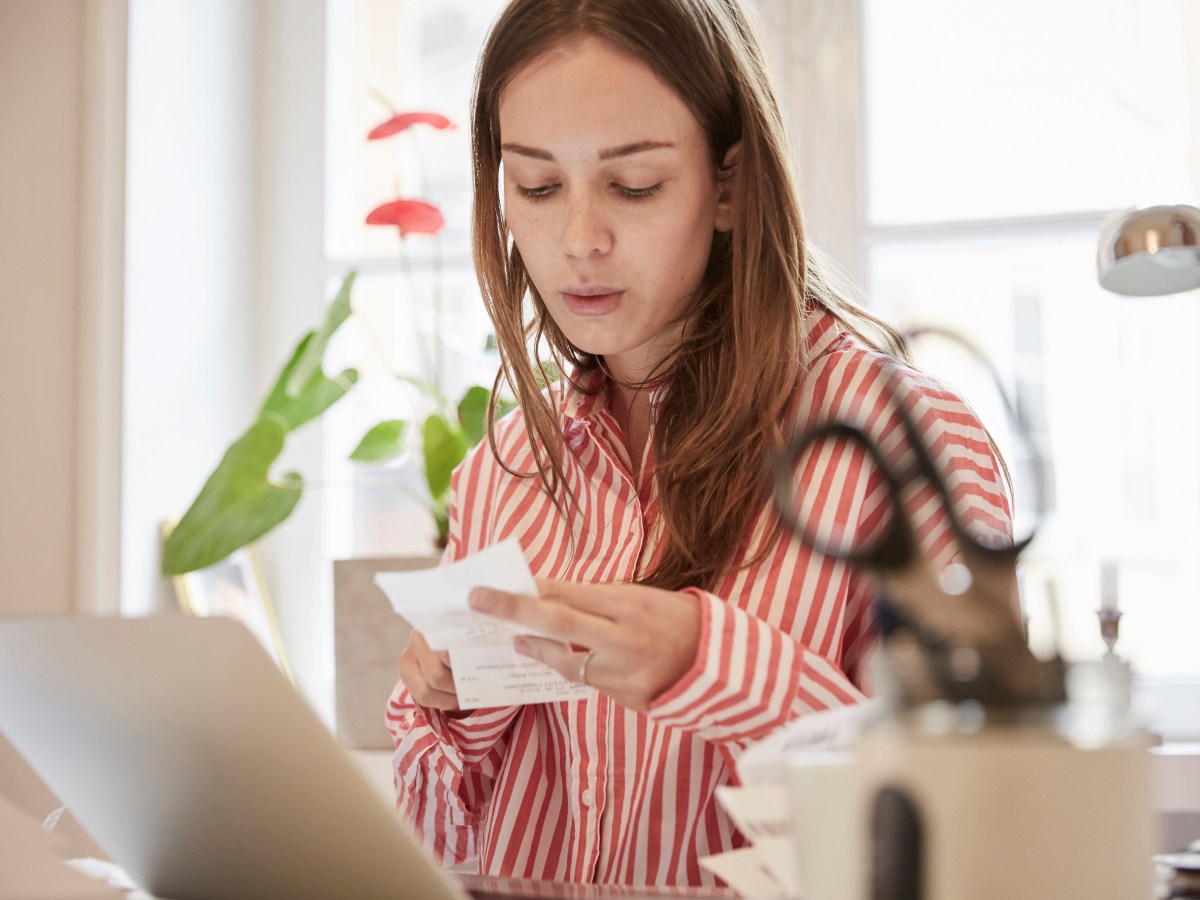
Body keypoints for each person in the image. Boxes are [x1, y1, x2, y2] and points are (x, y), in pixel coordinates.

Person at [386, 0, 1013, 887]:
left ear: (728, 185)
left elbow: (971, 838)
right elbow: (438, 859)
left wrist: (715, 665)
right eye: (536, 186)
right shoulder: (504, 475)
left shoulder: (904, 446)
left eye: (633, 186)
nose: (578, 241)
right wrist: (449, 709)